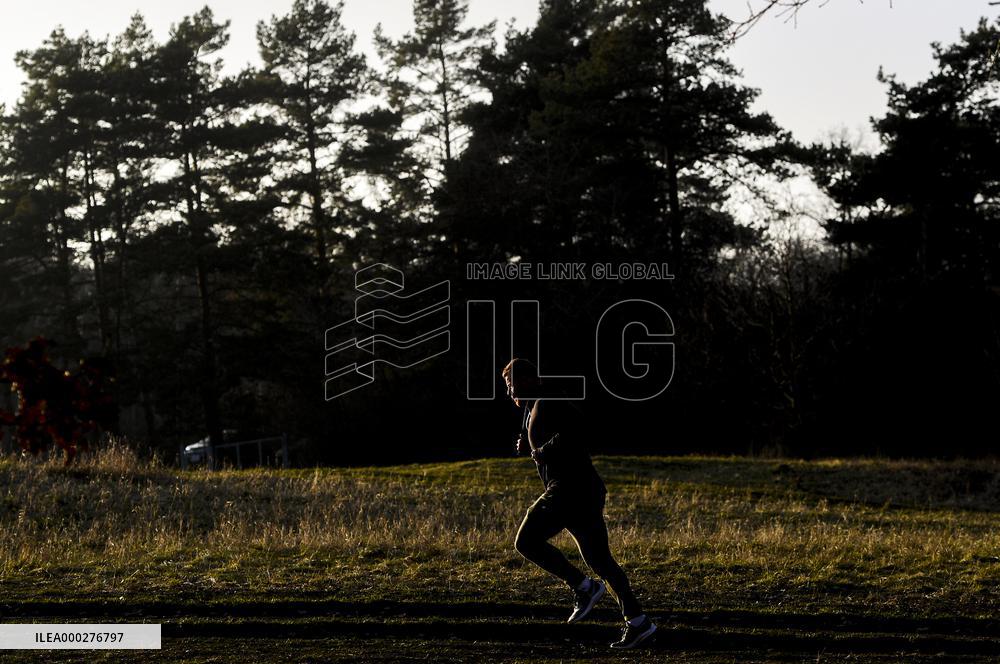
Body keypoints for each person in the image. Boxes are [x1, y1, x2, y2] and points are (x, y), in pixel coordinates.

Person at [502, 358, 657, 650]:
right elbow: (550, 440)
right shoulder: (533, 407)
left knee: (526, 541)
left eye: (513, 384)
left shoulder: (549, 399)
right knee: (600, 560)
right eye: (508, 387)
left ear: (531, 379)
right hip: (583, 491)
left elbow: (579, 430)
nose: (511, 392)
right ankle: (639, 622)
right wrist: (530, 447)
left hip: (569, 490)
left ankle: (584, 587)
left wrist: (542, 451)